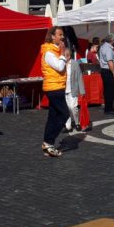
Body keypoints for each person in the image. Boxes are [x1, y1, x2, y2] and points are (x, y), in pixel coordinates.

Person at [41, 26, 70, 157]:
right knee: (64, 115)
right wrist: (63, 54)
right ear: (52, 36)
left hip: (57, 86)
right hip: (54, 88)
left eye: (62, 35)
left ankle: (47, 143)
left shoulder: (55, 51)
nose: (62, 37)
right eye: (59, 34)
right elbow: (59, 67)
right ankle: (49, 141)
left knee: (53, 116)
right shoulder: (49, 52)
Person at [64, 48, 86, 132]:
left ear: (69, 56)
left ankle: (77, 122)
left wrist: (82, 90)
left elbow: (79, 77)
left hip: (73, 89)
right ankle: (68, 126)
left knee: (73, 108)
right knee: (66, 108)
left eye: (65, 56)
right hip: (63, 89)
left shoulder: (75, 63)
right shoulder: (61, 63)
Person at [99, 33, 114, 114]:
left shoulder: (103, 46)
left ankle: (109, 108)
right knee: (110, 90)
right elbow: (110, 62)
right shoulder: (108, 48)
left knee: (108, 90)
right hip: (108, 71)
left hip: (105, 70)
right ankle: (108, 109)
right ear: (112, 40)